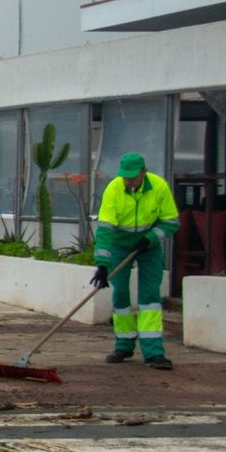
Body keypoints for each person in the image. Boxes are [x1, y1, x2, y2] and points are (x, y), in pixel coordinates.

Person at [90, 152, 179, 370]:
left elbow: (171, 222)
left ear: (143, 172)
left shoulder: (159, 187)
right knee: (120, 293)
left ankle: (154, 352)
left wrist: (149, 238)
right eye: (125, 177)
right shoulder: (113, 189)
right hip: (120, 245)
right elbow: (105, 230)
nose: (129, 181)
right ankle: (123, 345)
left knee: (150, 297)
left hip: (148, 246)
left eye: (133, 176)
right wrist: (102, 264)